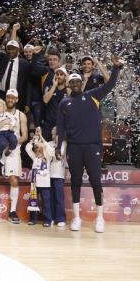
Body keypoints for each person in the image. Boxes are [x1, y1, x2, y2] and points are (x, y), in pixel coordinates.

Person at [57, 56, 123, 233]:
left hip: (93, 147)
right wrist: (58, 148)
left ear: (81, 83)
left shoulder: (93, 96)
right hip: (74, 147)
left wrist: (116, 68)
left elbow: (110, 86)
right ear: (69, 85)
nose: (76, 83)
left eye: (78, 81)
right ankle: (77, 219)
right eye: (73, 81)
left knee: (95, 182)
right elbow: (61, 128)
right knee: (76, 182)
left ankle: (100, 219)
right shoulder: (64, 103)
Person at [0, 89, 28, 224]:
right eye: (8, 97)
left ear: (16, 100)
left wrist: (12, 145)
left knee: (14, 179)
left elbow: (25, 136)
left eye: (13, 98)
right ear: (5, 99)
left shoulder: (21, 115)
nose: (10, 100)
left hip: (13, 149)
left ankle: (13, 211)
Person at [0, 23, 47, 111]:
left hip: (16, 97)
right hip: (0, 95)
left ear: (18, 50)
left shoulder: (24, 64)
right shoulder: (3, 58)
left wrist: (27, 103)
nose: (10, 51)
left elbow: (29, 83)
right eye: (8, 48)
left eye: (13, 48)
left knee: (15, 123)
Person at [25, 128, 54, 226]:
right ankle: (33, 219)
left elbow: (49, 148)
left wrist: (41, 136)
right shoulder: (34, 157)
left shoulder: (48, 157)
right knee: (33, 201)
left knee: (46, 203)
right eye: (37, 149)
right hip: (34, 184)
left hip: (45, 184)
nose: (38, 150)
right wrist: (34, 139)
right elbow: (27, 148)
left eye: (40, 149)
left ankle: (47, 220)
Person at [47, 127, 67, 227]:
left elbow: (58, 154)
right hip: (48, 174)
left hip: (59, 174)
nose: (53, 136)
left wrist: (46, 146)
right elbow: (47, 154)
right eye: (52, 135)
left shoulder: (64, 144)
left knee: (59, 198)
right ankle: (51, 218)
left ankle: (61, 218)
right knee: (49, 198)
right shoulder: (49, 143)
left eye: (55, 134)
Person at [42, 67, 69, 141]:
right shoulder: (49, 88)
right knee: (45, 147)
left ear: (65, 76)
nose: (59, 76)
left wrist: (67, 85)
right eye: (57, 74)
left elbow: (73, 103)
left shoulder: (68, 90)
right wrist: (54, 86)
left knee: (60, 148)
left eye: (61, 74)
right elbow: (45, 100)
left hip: (63, 123)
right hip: (49, 123)